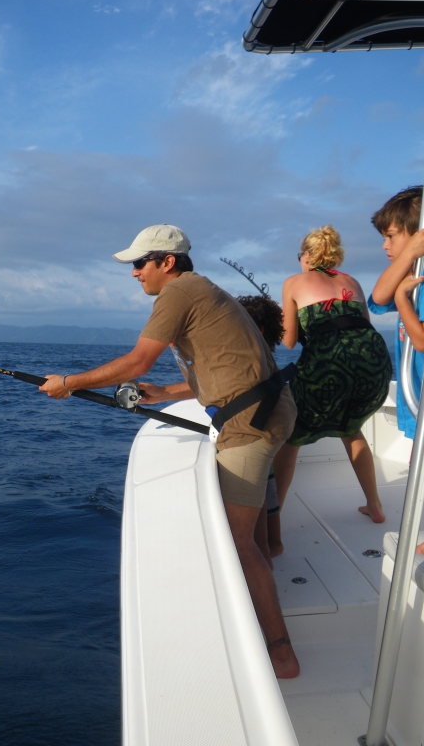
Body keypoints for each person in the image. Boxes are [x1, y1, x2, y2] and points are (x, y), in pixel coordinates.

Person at [39, 224, 300, 678]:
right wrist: (164, 392)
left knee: (237, 544)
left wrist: (69, 382)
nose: (135, 273)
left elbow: (138, 360)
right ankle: (264, 609)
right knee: (252, 532)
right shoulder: (202, 292)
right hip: (268, 410)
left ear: (167, 263)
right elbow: (224, 372)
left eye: (140, 263)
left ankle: (281, 654)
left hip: (249, 427)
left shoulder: (177, 295)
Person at [273, 225, 392, 540]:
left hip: (330, 364)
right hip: (375, 362)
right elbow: (362, 325)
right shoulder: (351, 281)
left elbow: (288, 341)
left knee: (292, 438)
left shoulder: (293, 283)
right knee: (351, 429)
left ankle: (275, 521)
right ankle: (375, 505)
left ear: (308, 255)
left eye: (300, 257)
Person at [368, 186, 424, 555]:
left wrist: (403, 299)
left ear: (420, 234)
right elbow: (378, 297)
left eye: (391, 235)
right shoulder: (416, 275)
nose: (385, 246)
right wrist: (408, 255)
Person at [236, 294, 285, 561]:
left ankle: (265, 554)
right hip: (268, 436)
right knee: (269, 493)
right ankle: (274, 544)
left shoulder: (249, 360)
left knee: (260, 498)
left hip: (255, 437)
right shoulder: (267, 360)